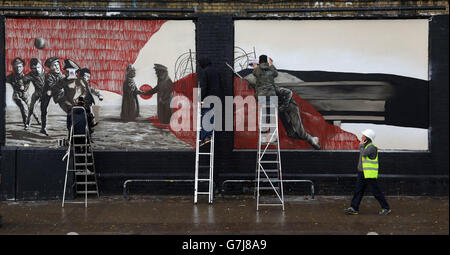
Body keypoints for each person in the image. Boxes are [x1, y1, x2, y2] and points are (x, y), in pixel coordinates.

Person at [344, 129, 391, 215]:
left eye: (363, 135)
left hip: (369, 174)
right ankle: (354, 208)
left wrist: (361, 146)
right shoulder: (367, 146)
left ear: (367, 138)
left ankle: (386, 208)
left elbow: (364, 154)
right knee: (358, 191)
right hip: (362, 173)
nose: (361, 137)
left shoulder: (371, 147)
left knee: (376, 192)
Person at [198, 57, 222, 146]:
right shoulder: (216, 71)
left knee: (205, 117)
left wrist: (201, 101)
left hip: (208, 98)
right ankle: (209, 136)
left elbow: (204, 87)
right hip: (217, 98)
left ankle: (204, 138)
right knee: (211, 117)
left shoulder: (205, 72)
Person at [251, 55, 278, 129]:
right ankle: (271, 128)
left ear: (259, 61)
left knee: (263, 112)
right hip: (272, 95)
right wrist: (271, 64)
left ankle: (264, 129)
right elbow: (276, 74)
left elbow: (254, 73)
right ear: (266, 61)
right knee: (271, 112)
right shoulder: (271, 69)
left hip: (261, 96)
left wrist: (255, 66)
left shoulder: (257, 69)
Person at [6, 58, 29, 129]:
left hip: (25, 95)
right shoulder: (10, 77)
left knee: (31, 109)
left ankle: (37, 119)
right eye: (16, 67)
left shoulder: (27, 77)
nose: (18, 68)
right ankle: (26, 124)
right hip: (16, 96)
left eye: (20, 66)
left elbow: (26, 87)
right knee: (23, 107)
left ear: (23, 67)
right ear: (13, 67)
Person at [22, 58, 45, 129]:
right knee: (31, 108)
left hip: (45, 94)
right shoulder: (31, 75)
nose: (37, 70)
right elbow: (24, 79)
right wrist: (24, 87)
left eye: (38, 67)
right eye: (34, 68)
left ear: (41, 66)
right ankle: (28, 124)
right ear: (31, 69)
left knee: (44, 110)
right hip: (37, 93)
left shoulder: (47, 74)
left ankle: (43, 124)